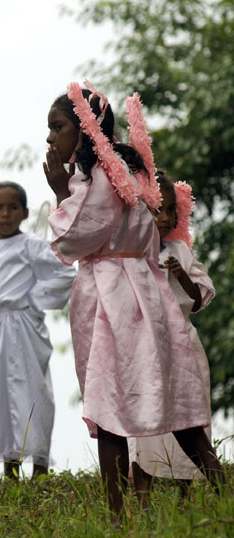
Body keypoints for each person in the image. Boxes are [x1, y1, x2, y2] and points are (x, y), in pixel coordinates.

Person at [43, 81, 225, 514]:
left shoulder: (101, 178)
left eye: (58, 127)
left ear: (86, 130)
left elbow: (75, 236)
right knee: (173, 405)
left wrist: (59, 192)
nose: (50, 137)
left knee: (109, 406)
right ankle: (222, 494)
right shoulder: (127, 170)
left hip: (115, 297)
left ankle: (118, 516)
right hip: (144, 291)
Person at [0, 181, 76, 479]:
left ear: (24, 212)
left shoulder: (31, 244)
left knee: (33, 391)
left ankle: (41, 465)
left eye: (12, 208)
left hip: (23, 327)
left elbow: (63, 274)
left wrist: (33, 300)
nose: (5, 214)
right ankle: (10, 465)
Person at [130, 172, 214, 505]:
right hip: (146, 348)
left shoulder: (180, 249)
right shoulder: (132, 252)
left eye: (170, 213)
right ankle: (143, 498)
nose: (164, 219)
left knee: (188, 417)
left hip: (183, 345)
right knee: (146, 424)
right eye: (156, 210)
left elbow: (195, 301)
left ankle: (186, 495)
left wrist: (180, 272)